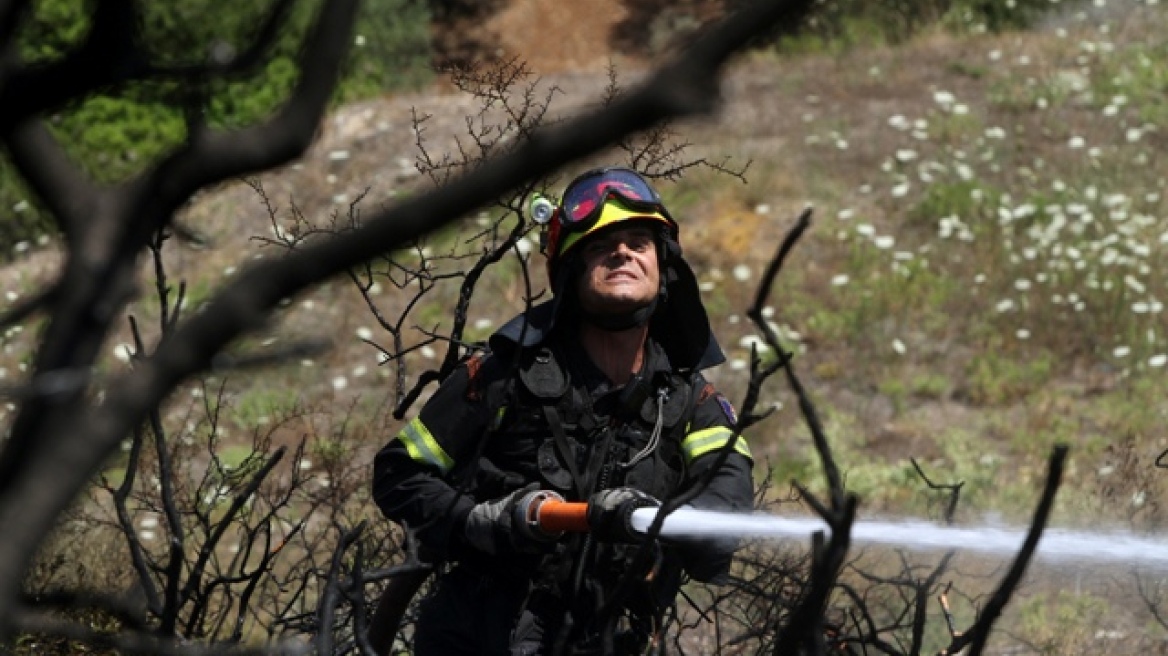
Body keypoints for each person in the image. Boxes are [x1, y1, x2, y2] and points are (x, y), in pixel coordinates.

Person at [371, 166, 755, 655]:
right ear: (570, 275)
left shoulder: (690, 401)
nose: (622, 252)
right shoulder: (502, 377)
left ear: (665, 270)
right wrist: (482, 522)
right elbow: (398, 474)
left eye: (640, 242)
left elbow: (728, 499)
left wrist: (658, 521)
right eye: (600, 246)